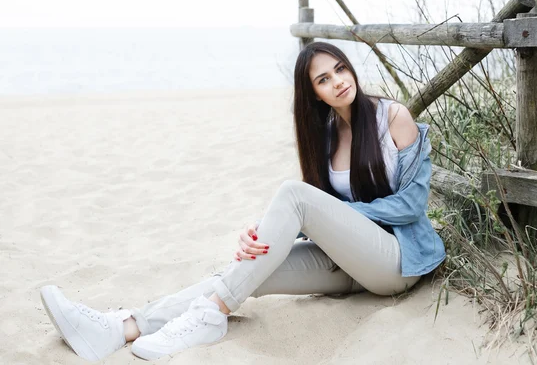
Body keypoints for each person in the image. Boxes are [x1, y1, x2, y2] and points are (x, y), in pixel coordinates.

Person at [39, 41, 446, 361]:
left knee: (292, 195)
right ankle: (123, 327)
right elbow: (321, 214)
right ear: (315, 95)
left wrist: (325, 219)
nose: (338, 80)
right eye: (323, 79)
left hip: (397, 261)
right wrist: (266, 234)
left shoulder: (392, 117)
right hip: (347, 263)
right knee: (248, 268)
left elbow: (411, 205)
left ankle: (211, 315)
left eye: (340, 68)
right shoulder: (323, 137)